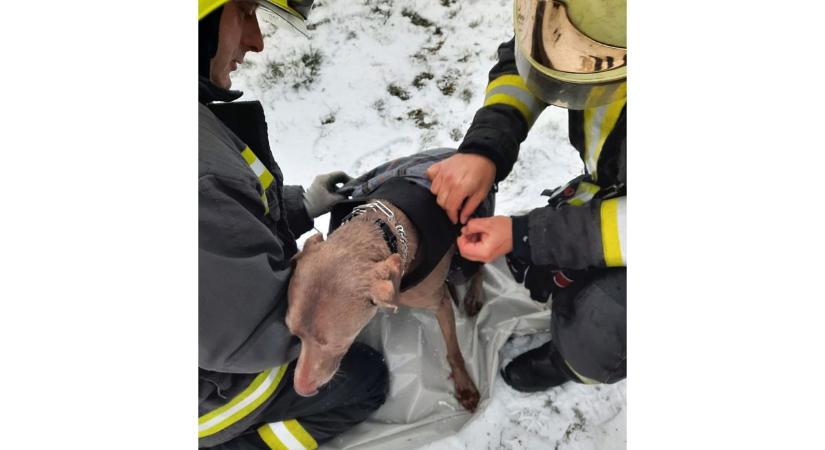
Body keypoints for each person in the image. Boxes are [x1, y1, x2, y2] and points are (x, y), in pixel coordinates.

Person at [198, 1, 388, 448]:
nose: (257, 41)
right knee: (363, 381)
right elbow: (259, 331)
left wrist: (302, 204)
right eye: (243, 11)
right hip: (209, 387)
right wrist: (352, 277)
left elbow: (224, 225)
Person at [427, 0, 627, 391]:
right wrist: (487, 146)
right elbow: (541, 57)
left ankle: (571, 362)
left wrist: (528, 236)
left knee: (608, 317)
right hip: (615, 183)